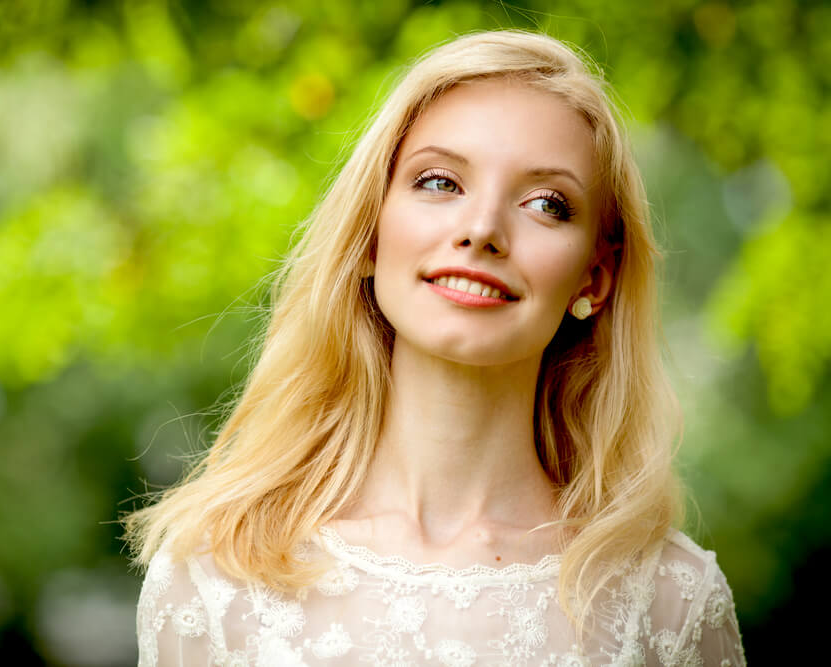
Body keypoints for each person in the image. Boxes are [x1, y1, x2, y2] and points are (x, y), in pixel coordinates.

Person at [126, 30, 746, 666]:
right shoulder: (213, 578)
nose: (481, 231)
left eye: (546, 203)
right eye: (441, 182)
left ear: (595, 276)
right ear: (370, 232)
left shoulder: (671, 604)